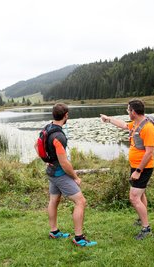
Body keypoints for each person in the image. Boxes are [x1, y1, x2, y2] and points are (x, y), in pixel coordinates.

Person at [34, 103, 97, 247]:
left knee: (54, 200)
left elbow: (36, 146)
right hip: (59, 174)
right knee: (81, 202)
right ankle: (79, 238)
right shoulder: (58, 136)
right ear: (66, 115)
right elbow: (64, 163)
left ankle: (54, 232)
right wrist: (75, 177)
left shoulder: (47, 128)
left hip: (51, 172)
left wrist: (46, 161)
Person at [100, 99, 154, 240]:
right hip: (136, 167)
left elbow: (149, 152)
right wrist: (108, 119)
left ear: (134, 112)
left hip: (143, 168)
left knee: (134, 197)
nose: (127, 112)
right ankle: (141, 219)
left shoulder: (148, 128)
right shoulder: (136, 124)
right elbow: (124, 125)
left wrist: (138, 171)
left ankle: (146, 228)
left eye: (128, 110)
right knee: (141, 195)